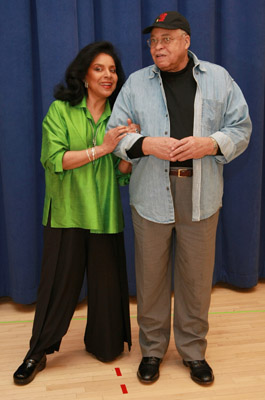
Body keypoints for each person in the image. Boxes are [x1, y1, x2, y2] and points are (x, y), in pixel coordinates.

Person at [107, 11, 252, 385]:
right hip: (151, 192)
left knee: (196, 280)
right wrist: (144, 143)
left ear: (186, 41)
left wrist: (211, 143)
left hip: (201, 193)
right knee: (151, 278)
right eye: (153, 41)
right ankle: (152, 351)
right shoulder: (136, 84)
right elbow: (115, 136)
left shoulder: (219, 79)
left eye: (166, 40)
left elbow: (241, 128)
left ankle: (193, 352)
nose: (157, 47)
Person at [13, 41, 138, 385]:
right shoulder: (60, 111)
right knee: (57, 288)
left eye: (112, 69)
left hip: (105, 215)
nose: (108, 75)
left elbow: (120, 175)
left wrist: (131, 150)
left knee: (110, 343)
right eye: (99, 68)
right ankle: (36, 353)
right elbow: (55, 161)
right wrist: (104, 147)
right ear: (83, 75)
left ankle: (103, 342)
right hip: (67, 213)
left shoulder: (120, 115)